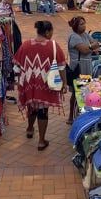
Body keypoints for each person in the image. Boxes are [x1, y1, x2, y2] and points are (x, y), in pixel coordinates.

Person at [13, 20, 66, 151]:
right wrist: (64, 83)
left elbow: (17, 66)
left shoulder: (25, 45)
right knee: (43, 111)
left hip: (29, 83)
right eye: (51, 31)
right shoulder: (53, 45)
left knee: (32, 106)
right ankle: (41, 141)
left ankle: (30, 129)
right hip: (45, 84)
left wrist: (20, 80)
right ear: (47, 32)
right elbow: (61, 67)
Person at [66, 16, 101, 124]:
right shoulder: (74, 36)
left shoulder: (85, 35)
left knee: (84, 91)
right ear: (75, 26)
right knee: (77, 92)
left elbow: (96, 43)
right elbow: (85, 50)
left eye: (84, 23)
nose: (84, 26)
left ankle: (81, 114)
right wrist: (92, 46)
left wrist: (92, 46)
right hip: (78, 67)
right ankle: (71, 116)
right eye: (81, 24)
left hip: (86, 65)